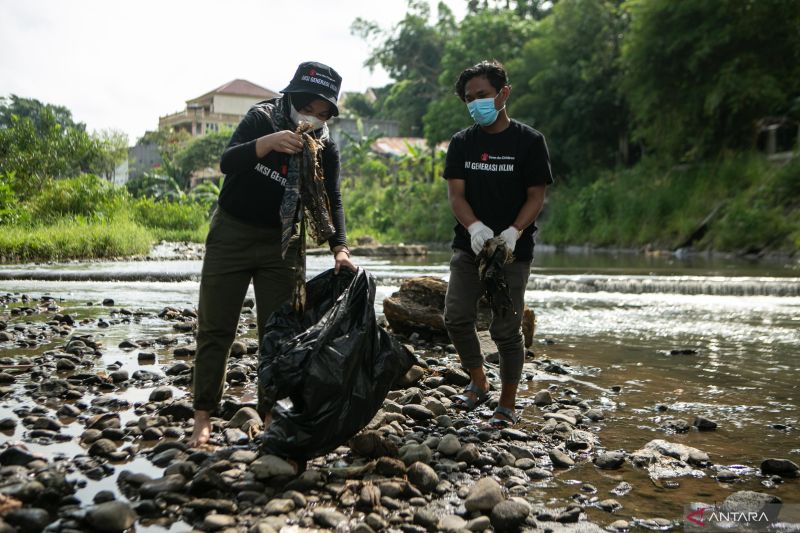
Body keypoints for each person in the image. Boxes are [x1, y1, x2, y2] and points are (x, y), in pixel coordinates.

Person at [188, 61, 356, 447]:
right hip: (231, 233)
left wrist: (340, 249)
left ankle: (269, 416)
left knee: (278, 335)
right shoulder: (261, 118)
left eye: (323, 112)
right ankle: (202, 419)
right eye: (309, 108)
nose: (313, 118)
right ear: (293, 98)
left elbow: (333, 198)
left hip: (283, 244)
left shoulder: (325, 146)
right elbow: (227, 162)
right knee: (216, 328)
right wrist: (267, 144)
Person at [442, 60, 553, 427]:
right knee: (457, 318)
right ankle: (478, 381)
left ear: (504, 93)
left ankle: (507, 403)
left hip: (513, 251)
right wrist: (474, 227)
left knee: (506, 329)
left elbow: (536, 195)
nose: (476, 103)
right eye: (470, 99)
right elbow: (456, 196)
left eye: (483, 95)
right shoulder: (462, 143)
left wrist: (513, 232)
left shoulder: (530, 142)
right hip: (469, 247)